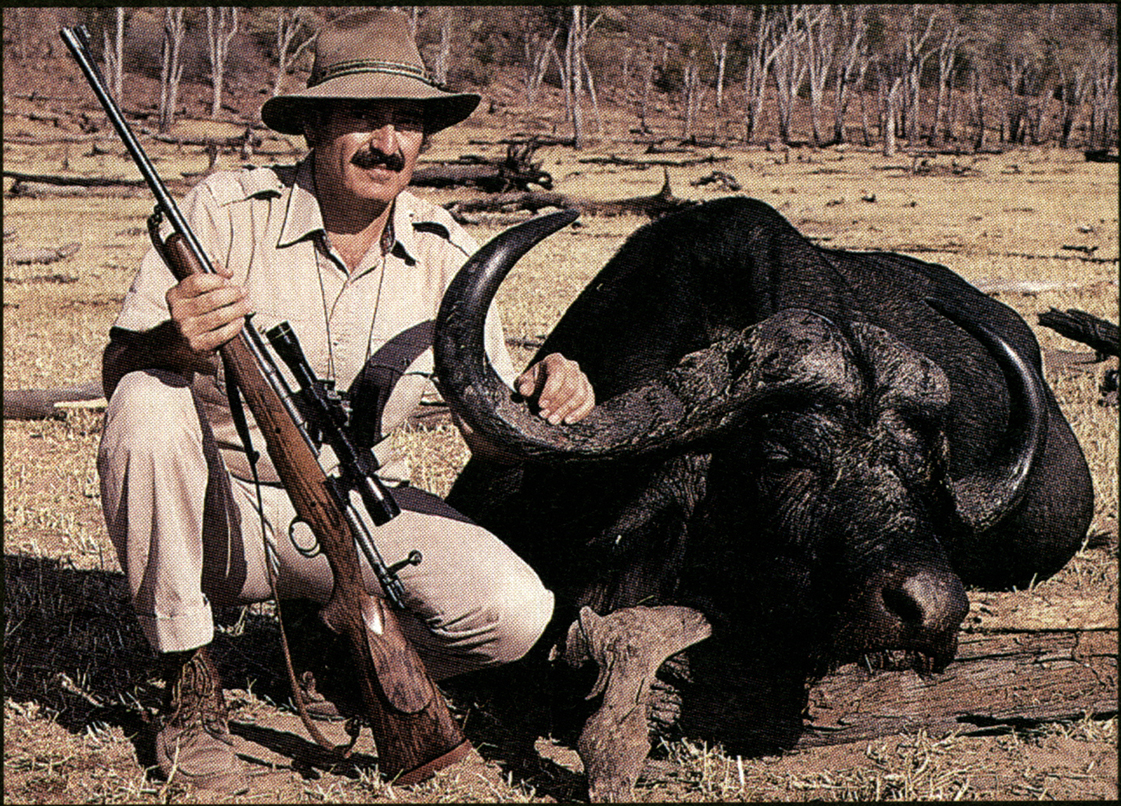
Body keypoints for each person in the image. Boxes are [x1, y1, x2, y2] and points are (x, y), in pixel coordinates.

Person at [96, 9, 594, 794]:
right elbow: (116, 360)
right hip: (220, 513)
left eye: (406, 122)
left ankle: (345, 646)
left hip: (363, 513)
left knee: (517, 615)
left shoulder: (448, 254)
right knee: (143, 407)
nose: (386, 143)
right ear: (313, 128)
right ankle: (190, 682)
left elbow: (492, 442)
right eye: (361, 118)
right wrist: (172, 340)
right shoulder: (225, 210)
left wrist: (544, 395)